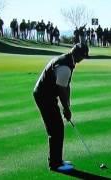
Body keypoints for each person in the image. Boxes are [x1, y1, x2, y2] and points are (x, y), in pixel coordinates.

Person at [33, 43, 89, 172]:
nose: (83, 59)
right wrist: (66, 109)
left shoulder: (68, 61)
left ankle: (57, 160)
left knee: (57, 127)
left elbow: (66, 86)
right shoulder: (65, 66)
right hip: (44, 96)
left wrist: (67, 105)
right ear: (78, 54)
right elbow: (61, 89)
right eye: (84, 56)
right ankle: (55, 164)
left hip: (46, 95)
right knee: (56, 129)